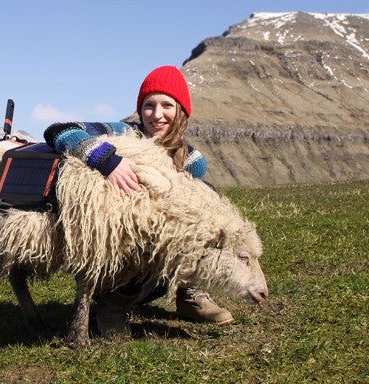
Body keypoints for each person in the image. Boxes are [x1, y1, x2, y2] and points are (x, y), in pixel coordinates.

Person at [43, 65, 234, 337]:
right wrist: (107, 161)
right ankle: (113, 304)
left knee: (202, 212)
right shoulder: (122, 132)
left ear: (181, 111)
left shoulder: (190, 160)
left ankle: (189, 294)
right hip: (118, 250)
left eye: (167, 105)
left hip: (157, 262)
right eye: (149, 105)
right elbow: (60, 130)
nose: (156, 115)